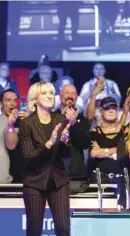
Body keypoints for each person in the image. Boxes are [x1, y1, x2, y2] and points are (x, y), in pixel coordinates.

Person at [19, 82, 79, 236]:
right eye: (44, 93)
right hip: (34, 181)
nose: (49, 96)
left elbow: (66, 154)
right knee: (34, 230)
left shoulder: (61, 119)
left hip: (58, 180)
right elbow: (28, 157)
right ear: (35, 99)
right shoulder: (27, 123)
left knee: (63, 229)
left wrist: (66, 141)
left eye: (51, 93)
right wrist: (50, 143)